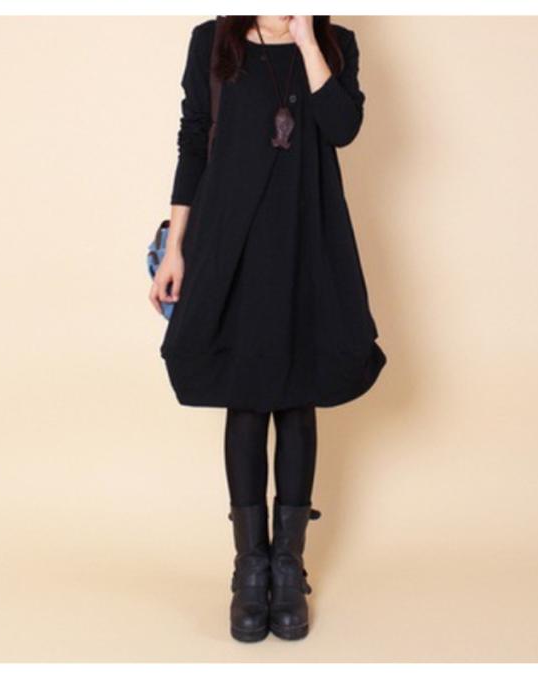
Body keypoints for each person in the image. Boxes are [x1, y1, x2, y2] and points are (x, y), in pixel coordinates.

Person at [149, 15, 387, 642]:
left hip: (307, 238)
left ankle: (289, 566)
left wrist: (307, 40)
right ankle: (249, 571)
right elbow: (193, 140)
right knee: (247, 399)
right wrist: (176, 248)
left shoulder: (336, 44)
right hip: (232, 242)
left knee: (299, 397)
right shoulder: (212, 41)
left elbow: (342, 127)